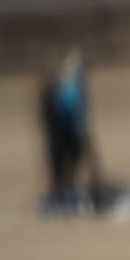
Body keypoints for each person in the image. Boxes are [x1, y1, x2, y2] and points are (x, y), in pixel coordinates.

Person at [38, 48, 102, 214]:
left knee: (68, 169)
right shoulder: (70, 86)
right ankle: (58, 200)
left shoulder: (70, 85)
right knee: (63, 169)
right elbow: (72, 113)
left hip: (67, 134)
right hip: (65, 135)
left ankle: (64, 197)